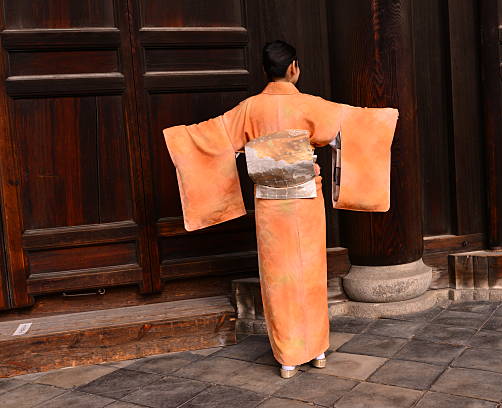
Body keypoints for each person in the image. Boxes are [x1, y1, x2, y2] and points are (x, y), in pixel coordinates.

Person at [163, 40, 398, 378]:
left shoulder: (248, 109)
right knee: (310, 273)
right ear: (293, 68)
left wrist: (181, 139)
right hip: (306, 202)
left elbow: (214, 139)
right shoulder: (310, 105)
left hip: (271, 205)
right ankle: (316, 350)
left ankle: (287, 356)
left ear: (265, 71)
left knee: (278, 276)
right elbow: (350, 128)